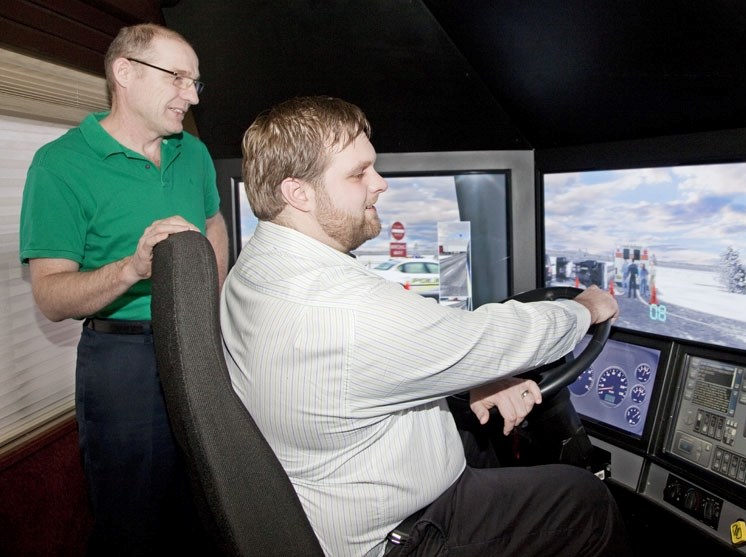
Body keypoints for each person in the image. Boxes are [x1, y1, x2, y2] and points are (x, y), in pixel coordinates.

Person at [220, 96, 629, 557]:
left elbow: (365, 370)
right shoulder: (343, 309)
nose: (379, 184)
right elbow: (490, 340)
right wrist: (585, 308)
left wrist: (470, 379)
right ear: (298, 193)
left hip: (339, 487)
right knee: (584, 501)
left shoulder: (255, 267)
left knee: (485, 438)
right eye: (358, 174)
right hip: (397, 536)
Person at [19, 23, 228, 556]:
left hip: (200, 347)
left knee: (209, 506)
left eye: (196, 82)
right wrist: (132, 267)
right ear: (124, 73)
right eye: (178, 77)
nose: (191, 94)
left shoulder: (194, 154)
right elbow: (50, 295)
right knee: (133, 523)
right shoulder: (59, 164)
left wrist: (214, 301)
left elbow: (214, 226)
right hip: (121, 361)